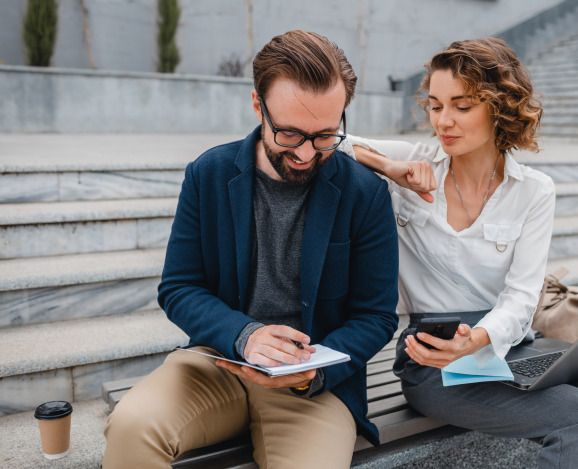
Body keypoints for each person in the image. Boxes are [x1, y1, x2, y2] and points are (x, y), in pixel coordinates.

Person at [102, 30, 400, 469]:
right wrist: (246, 335)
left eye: (324, 136)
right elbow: (180, 287)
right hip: (217, 362)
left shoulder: (365, 194)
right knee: (131, 428)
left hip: (313, 385)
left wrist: (316, 370)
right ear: (258, 105)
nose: (306, 154)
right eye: (290, 134)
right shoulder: (208, 173)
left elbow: (376, 315)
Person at [341, 37, 578, 468]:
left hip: (506, 345)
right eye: (435, 104)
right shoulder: (412, 162)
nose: (443, 120)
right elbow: (328, 138)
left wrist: (480, 339)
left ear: (498, 107)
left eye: (462, 106)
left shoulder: (534, 191)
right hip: (433, 358)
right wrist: (390, 169)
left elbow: (522, 298)